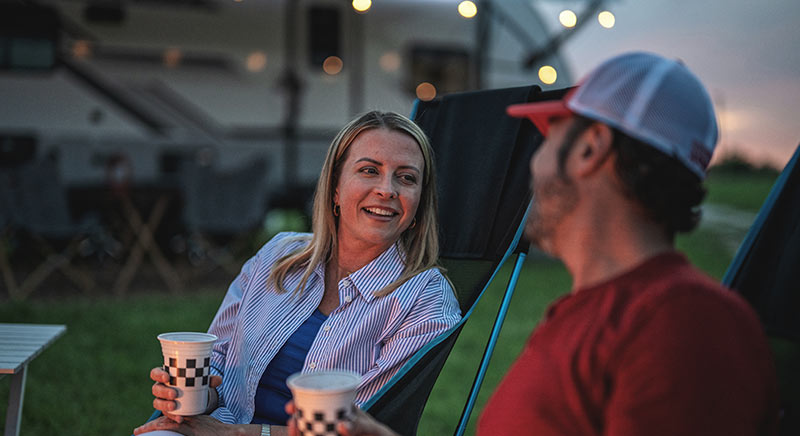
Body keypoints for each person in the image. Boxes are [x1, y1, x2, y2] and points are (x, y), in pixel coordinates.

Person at [313, 52, 779, 436]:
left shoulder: (682, 326)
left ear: (589, 148)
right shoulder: (590, 314)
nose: (534, 166)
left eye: (547, 136)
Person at [134, 110, 461, 436]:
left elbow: (355, 424)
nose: (387, 189)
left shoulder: (425, 298)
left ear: (419, 202)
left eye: (406, 178)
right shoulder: (279, 255)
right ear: (335, 186)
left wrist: (235, 435)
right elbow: (219, 358)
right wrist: (197, 394)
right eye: (369, 170)